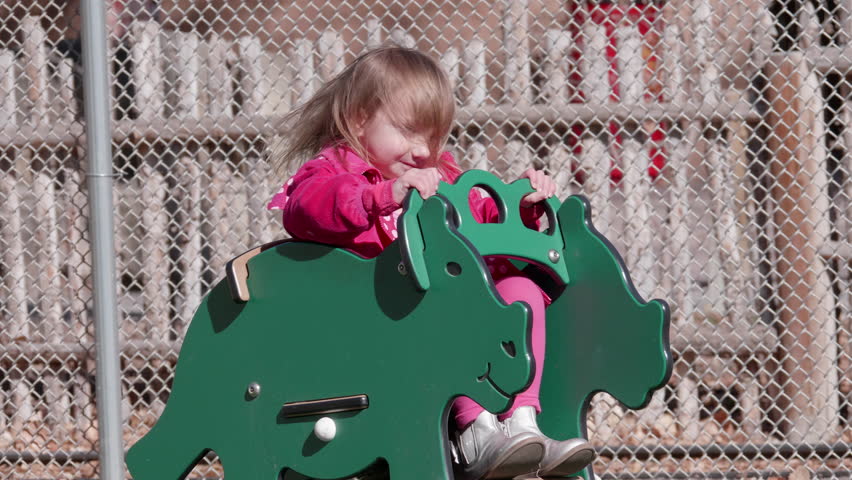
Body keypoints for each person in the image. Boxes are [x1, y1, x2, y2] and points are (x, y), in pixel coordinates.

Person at [267, 45, 596, 479]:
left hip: (439, 317)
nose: (423, 150)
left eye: (433, 137)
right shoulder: (331, 172)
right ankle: (474, 431)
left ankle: (522, 424)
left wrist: (526, 204)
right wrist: (381, 197)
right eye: (408, 131)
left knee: (521, 290)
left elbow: (483, 215)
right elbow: (308, 210)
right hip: (376, 327)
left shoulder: (443, 177)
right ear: (362, 116)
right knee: (445, 296)